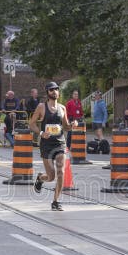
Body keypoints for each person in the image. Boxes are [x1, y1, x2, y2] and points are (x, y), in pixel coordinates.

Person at [30, 82, 77, 211]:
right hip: (46, 144)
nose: (54, 91)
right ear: (47, 93)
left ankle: (55, 201)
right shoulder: (41, 107)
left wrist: (72, 124)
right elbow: (32, 124)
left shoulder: (62, 108)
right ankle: (40, 178)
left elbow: (66, 126)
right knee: (51, 177)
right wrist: (40, 133)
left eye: (56, 89)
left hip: (60, 143)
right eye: (51, 90)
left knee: (61, 172)